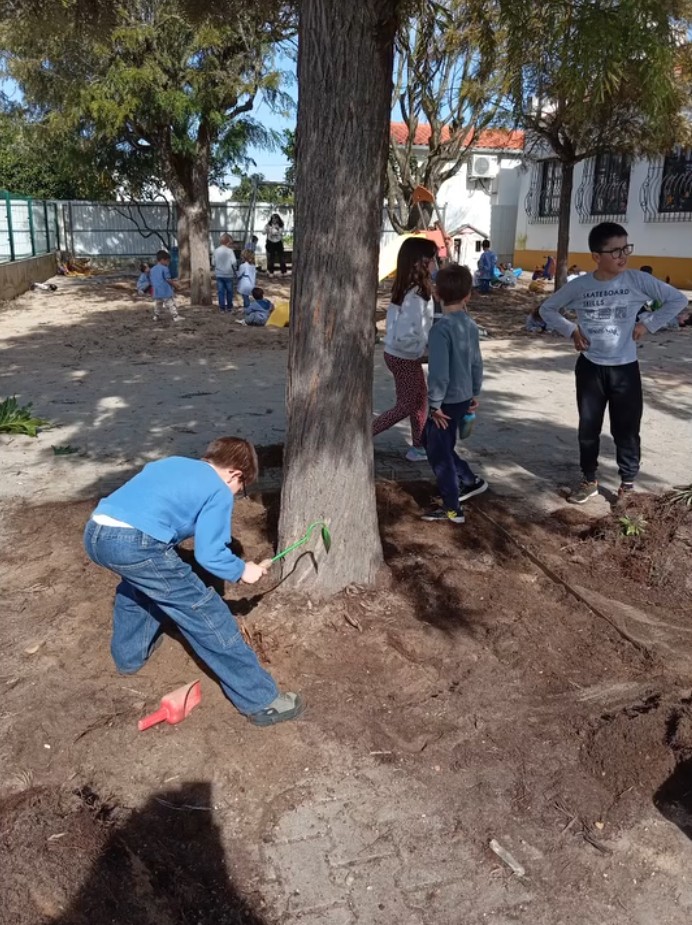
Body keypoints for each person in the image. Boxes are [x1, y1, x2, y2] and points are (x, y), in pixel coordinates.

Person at [83, 436, 304, 727]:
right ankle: (261, 701)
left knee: (138, 585)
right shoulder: (218, 488)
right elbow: (209, 554)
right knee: (206, 612)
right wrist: (242, 570)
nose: (237, 494)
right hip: (135, 544)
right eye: (242, 487)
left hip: (96, 533)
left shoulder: (174, 463)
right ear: (235, 474)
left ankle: (129, 657)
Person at [539, 221, 688, 504]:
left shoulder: (637, 280)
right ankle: (589, 480)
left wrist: (648, 324)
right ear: (597, 256)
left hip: (625, 369)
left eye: (626, 248)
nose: (623, 256)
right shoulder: (580, 286)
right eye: (615, 251)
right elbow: (548, 309)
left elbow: (677, 300)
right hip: (590, 368)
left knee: (627, 429)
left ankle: (627, 485)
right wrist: (571, 330)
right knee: (588, 428)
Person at [421, 265, 487, 523]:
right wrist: (474, 392)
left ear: (436, 294)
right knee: (435, 443)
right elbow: (477, 363)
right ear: (468, 295)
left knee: (439, 454)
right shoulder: (470, 325)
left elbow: (439, 373)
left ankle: (452, 508)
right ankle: (469, 480)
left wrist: (434, 405)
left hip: (445, 403)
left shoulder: (440, 330)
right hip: (462, 398)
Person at [373, 237, 438, 462]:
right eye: (433, 259)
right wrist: (421, 351)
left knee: (419, 399)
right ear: (421, 262)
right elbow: (409, 332)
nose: (435, 263)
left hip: (402, 354)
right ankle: (363, 434)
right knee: (406, 404)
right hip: (404, 356)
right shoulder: (415, 295)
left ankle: (419, 446)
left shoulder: (410, 288)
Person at [149, 250, 182, 322]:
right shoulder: (165, 268)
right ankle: (175, 316)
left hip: (156, 291)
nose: (168, 263)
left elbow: (152, 280)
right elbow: (168, 280)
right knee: (171, 303)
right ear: (162, 260)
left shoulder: (152, 269)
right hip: (165, 290)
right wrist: (175, 284)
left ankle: (156, 316)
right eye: (167, 261)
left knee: (158, 304)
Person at [212, 233, 237, 313]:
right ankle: (229, 307)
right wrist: (235, 269)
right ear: (228, 242)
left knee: (220, 292)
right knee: (229, 291)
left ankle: (222, 308)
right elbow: (234, 262)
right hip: (228, 274)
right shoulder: (230, 251)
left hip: (219, 274)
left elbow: (213, 262)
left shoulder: (216, 250)